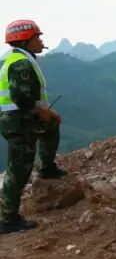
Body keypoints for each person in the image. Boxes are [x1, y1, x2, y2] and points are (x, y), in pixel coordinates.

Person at [0, 20, 67, 235]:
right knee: (19, 168)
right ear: (25, 41)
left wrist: (46, 114)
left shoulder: (19, 59)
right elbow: (20, 97)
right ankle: (8, 218)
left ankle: (47, 168)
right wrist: (42, 112)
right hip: (18, 121)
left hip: (23, 117)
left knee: (52, 125)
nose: (40, 41)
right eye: (37, 37)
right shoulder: (21, 64)